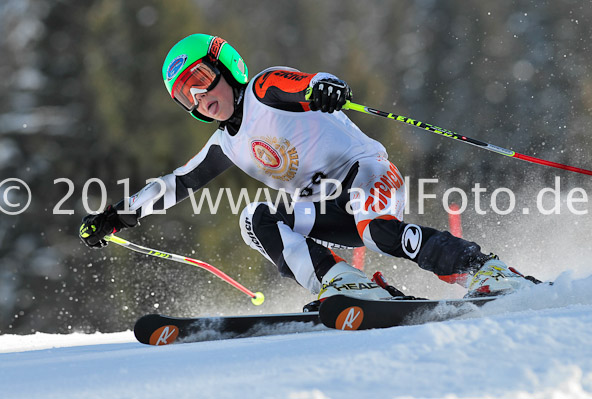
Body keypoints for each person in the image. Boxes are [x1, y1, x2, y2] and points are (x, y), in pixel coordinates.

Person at [79, 34, 539, 302]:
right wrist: (118, 215)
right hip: (325, 208)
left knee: (379, 232)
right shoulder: (224, 144)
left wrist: (325, 89)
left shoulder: (262, 89)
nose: (200, 98)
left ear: (226, 67)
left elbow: (304, 82)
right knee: (256, 221)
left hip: (366, 175)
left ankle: (483, 268)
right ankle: (342, 282)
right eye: (186, 95)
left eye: (200, 80)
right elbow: (176, 183)